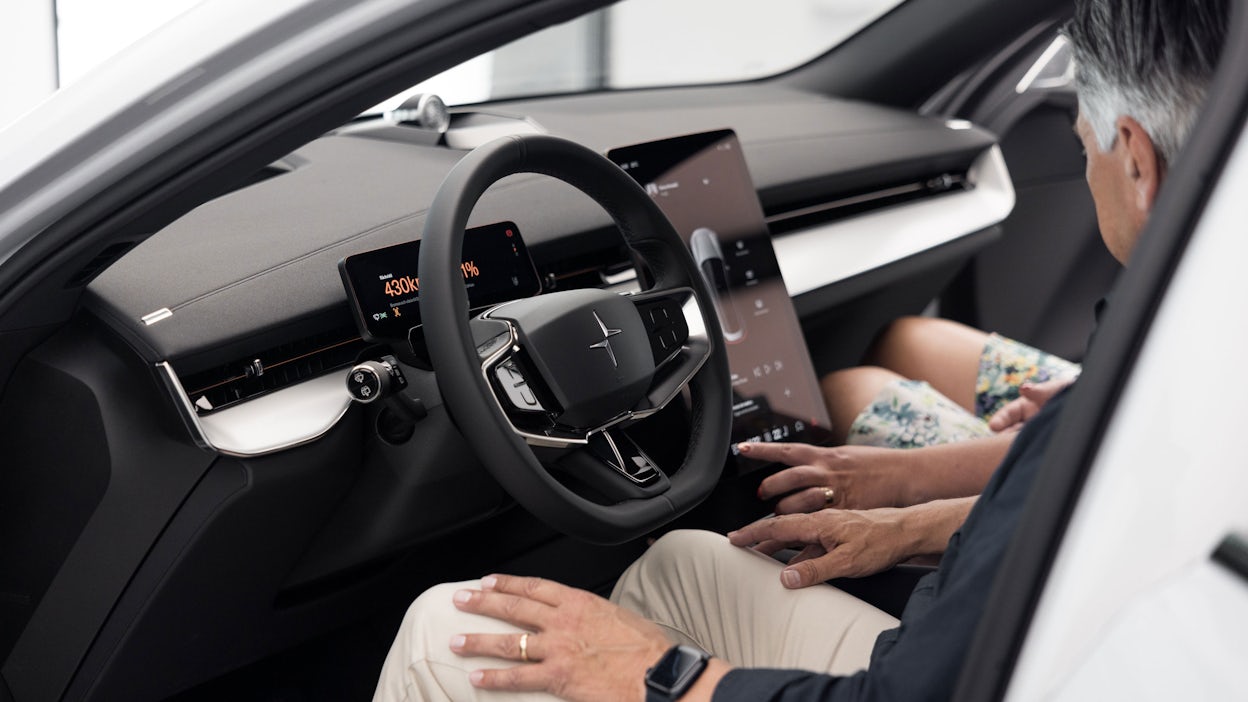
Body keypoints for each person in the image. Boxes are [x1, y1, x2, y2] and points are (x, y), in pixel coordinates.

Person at [372, 1, 1229, 700]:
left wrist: (656, 674)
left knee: (442, 630)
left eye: (1084, 144)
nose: (1083, 169)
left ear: (1140, 165)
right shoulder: (1198, 347)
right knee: (685, 562)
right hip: (1024, 657)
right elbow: (1067, 528)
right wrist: (903, 525)